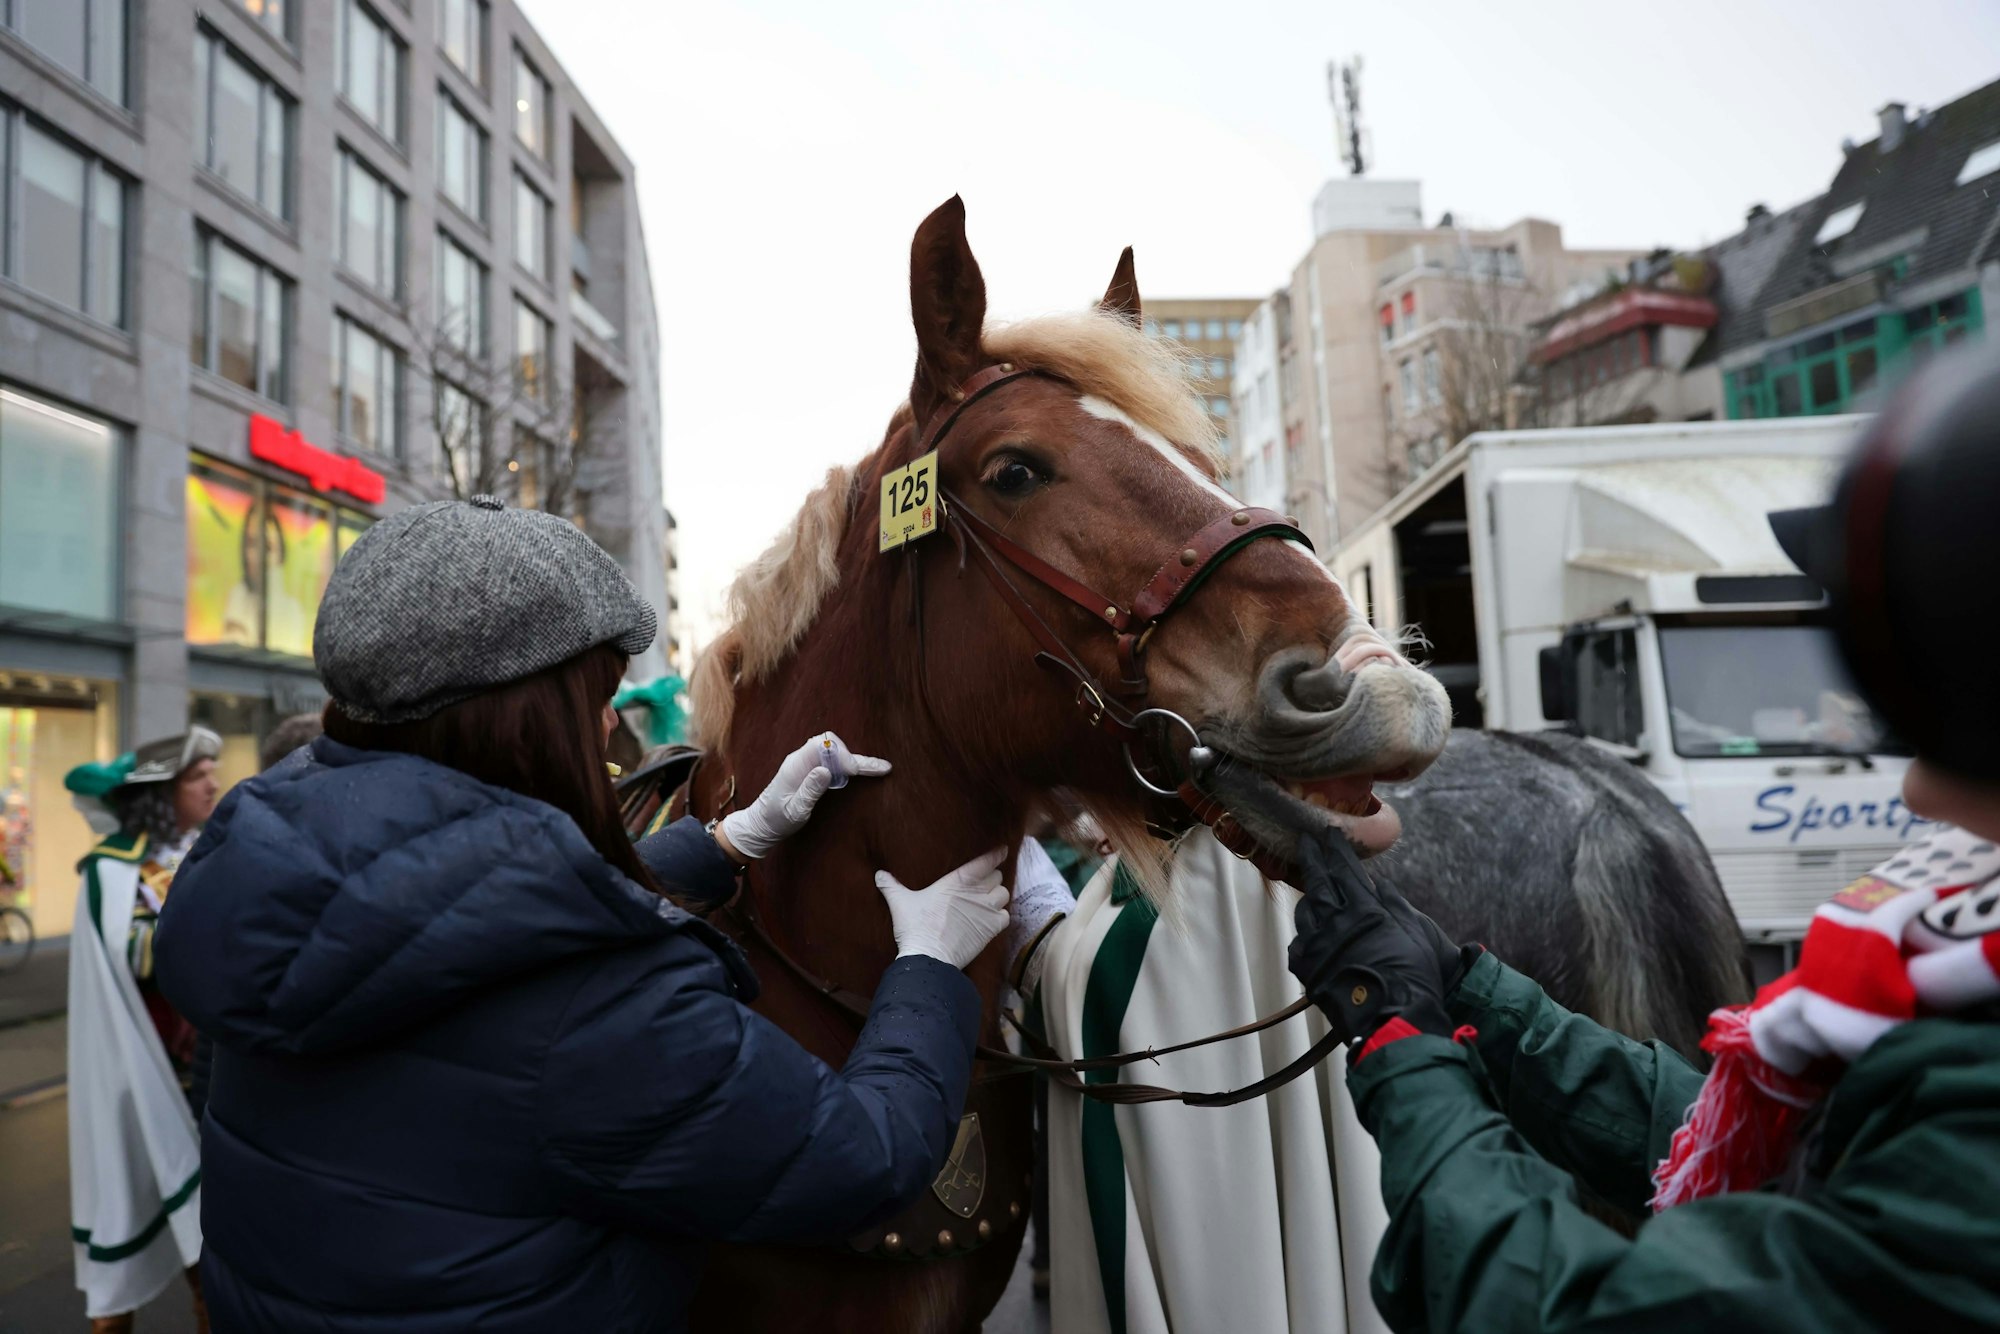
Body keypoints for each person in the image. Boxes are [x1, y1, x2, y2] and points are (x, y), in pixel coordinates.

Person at [153, 495, 1010, 1333]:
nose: (606, 728)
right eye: (594, 698)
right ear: (525, 722)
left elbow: (452, 906)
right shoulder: (605, 1007)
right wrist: (929, 968)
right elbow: (864, 1157)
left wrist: (729, 841)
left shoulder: (266, 876)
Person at [1282, 344, 2000, 1332]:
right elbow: (1736, 1136)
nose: (1909, 777)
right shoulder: (1949, 951)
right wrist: (1468, 988)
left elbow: (1581, 1313)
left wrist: (1402, 1048)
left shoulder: (1974, 1099)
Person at [63, 727, 223, 1333]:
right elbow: (131, 952)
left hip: (202, 1072)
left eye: (211, 771)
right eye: (197, 775)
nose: (212, 784)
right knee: (130, 1199)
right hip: (140, 1066)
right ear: (162, 792)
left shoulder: (205, 848)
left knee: (209, 1235)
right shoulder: (112, 868)